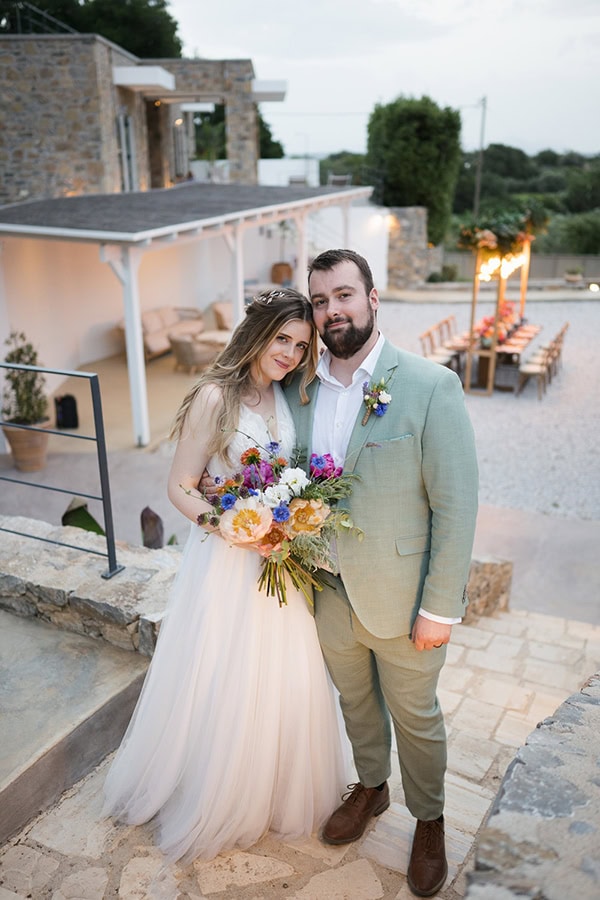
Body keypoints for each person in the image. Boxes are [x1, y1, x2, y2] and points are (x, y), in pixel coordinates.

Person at [102, 288, 349, 864]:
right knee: (224, 672)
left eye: (300, 345)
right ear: (257, 333)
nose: (289, 353)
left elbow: (288, 470)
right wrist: (234, 526)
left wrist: (287, 521)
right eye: (281, 339)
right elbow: (180, 487)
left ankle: (271, 788)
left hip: (279, 560)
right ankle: (218, 791)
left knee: (282, 672)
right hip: (228, 558)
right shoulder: (215, 397)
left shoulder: (285, 394)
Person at [285, 250, 479, 898]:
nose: (332, 310)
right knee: (355, 704)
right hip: (328, 591)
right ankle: (371, 788)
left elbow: (456, 504)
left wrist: (440, 607)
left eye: (343, 295)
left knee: (416, 717)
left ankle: (430, 820)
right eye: (319, 301)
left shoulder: (429, 385)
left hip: (404, 601)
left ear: (373, 299)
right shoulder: (303, 390)